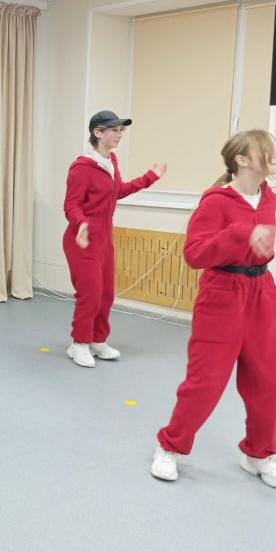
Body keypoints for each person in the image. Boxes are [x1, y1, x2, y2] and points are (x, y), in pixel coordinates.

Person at [151, 130, 276, 489]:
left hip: (261, 294)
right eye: (269, 151)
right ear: (242, 160)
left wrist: (261, 245)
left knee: (270, 383)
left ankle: (258, 454)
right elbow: (194, 254)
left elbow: (262, 249)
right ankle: (170, 446)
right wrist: (240, 234)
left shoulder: (270, 199)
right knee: (206, 383)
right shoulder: (216, 202)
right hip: (222, 296)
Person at [62, 110, 166, 367]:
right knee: (90, 295)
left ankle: (98, 341)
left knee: (106, 294)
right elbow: (71, 205)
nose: (119, 135)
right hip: (82, 240)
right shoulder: (82, 168)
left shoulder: (111, 162)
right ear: (98, 133)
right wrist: (81, 223)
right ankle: (79, 344)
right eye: (114, 130)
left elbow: (117, 191)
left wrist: (150, 178)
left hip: (104, 240)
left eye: (121, 130)